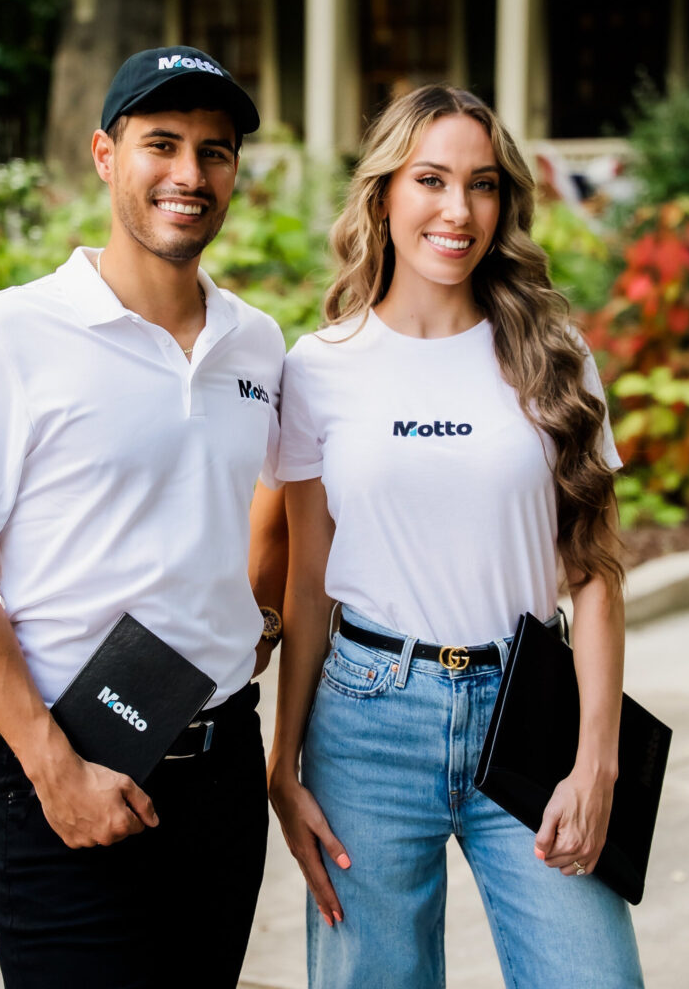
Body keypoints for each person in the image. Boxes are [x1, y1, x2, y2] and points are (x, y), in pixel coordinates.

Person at [0, 45, 287, 989]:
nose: (189, 175)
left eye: (216, 151)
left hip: (221, 763)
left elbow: (274, 506)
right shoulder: (6, 337)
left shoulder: (259, 343)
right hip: (65, 758)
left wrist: (259, 621)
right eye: (162, 144)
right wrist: (52, 767)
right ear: (105, 155)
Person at [268, 84, 644, 988]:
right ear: (384, 196)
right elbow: (309, 580)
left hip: (531, 708)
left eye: (480, 184)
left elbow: (591, 574)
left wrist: (598, 761)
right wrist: (282, 762)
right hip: (366, 719)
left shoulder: (551, 352)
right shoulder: (318, 369)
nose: (456, 209)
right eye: (429, 179)